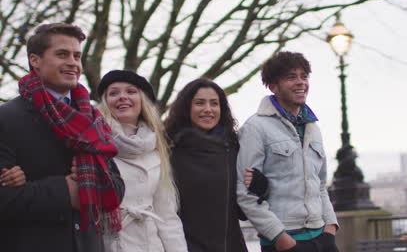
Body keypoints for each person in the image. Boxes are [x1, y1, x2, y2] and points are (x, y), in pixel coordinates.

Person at [0, 23, 125, 252]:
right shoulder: (5, 119)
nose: (73, 63)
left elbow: (117, 187)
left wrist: (95, 182)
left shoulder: (94, 120)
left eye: (77, 56)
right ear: (35, 61)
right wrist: (64, 192)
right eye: (62, 54)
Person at [236, 51, 339, 252]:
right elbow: (245, 193)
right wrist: (279, 237)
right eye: (291, 77)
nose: (301, 82)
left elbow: (320, 185)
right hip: (284, 241)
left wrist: (331, 227)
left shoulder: (313, 128)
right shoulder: (255, 128)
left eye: (304, 76)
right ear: (273, 86)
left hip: (322, 238)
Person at [97, 70, 188, 252]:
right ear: (105, 103)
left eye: (131, 91)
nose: (122, 97)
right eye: (114, 93)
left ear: (142, 100)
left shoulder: (156, 148)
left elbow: (167, 216)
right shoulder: (95, 145)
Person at [164, 78, 248, 252]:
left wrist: (258, 186)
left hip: (231, 246)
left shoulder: (233, 148)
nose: (208, 109)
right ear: (186, 107)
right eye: (199, 103)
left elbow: (242, 211)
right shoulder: (169, 150)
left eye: (214, 103)